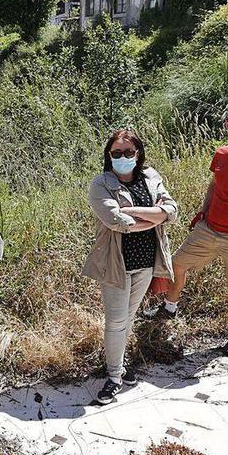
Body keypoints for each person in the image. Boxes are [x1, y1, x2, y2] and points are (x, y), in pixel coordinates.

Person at [144, 102, 228, 357]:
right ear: (227, 125)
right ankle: (170, 308)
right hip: (209, 229)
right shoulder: (221, 155)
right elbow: (215, 185)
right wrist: (203, 213)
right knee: (176, 264)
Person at [82, 130, 178, 405]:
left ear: (138, 154)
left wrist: (134, 213)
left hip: (146, 260)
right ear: (108, 156)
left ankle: (120, 367)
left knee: (129, 316)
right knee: (115, 322)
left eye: (128, 152)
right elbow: (115, 220)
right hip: (117, 262)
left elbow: (172, 210)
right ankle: (113, 377)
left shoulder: (151, 177)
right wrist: (154, 216)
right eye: (116, 153)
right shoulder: (101, 183)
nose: (123, 158)